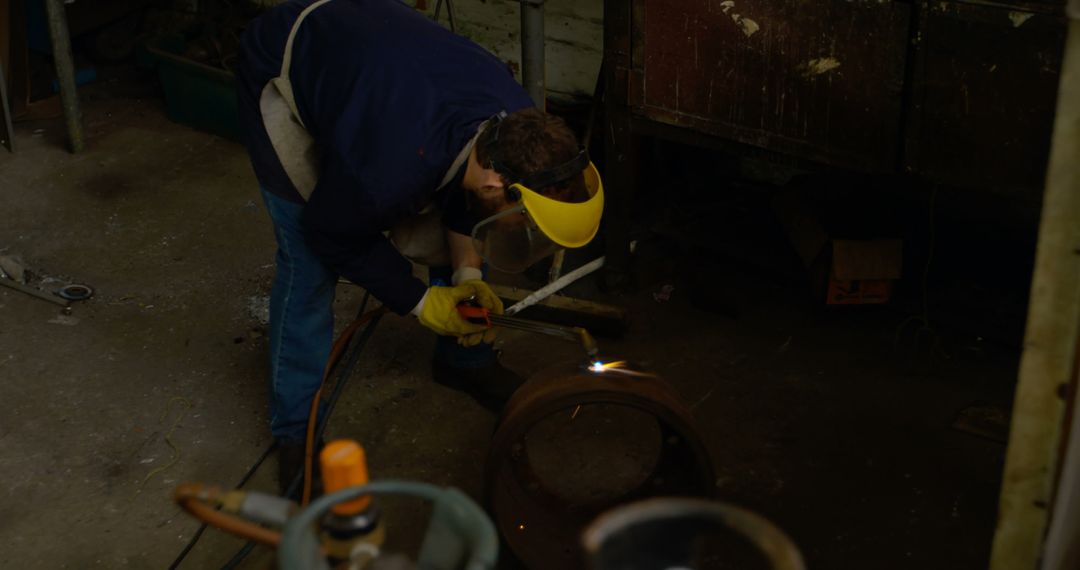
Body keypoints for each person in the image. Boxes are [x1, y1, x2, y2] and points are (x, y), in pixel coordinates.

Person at [235, 0, 604, 492]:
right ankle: (294, 433)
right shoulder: (388, 172)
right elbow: (330, 232)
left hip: (380, 71)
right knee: (308, 261)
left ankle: (464, 361)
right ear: (498, 183)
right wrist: (422, 303)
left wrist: (467, 279)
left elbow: (467, 200)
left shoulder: (514, 121)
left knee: (462, 222)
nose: (521, 234)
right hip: (284, 65)